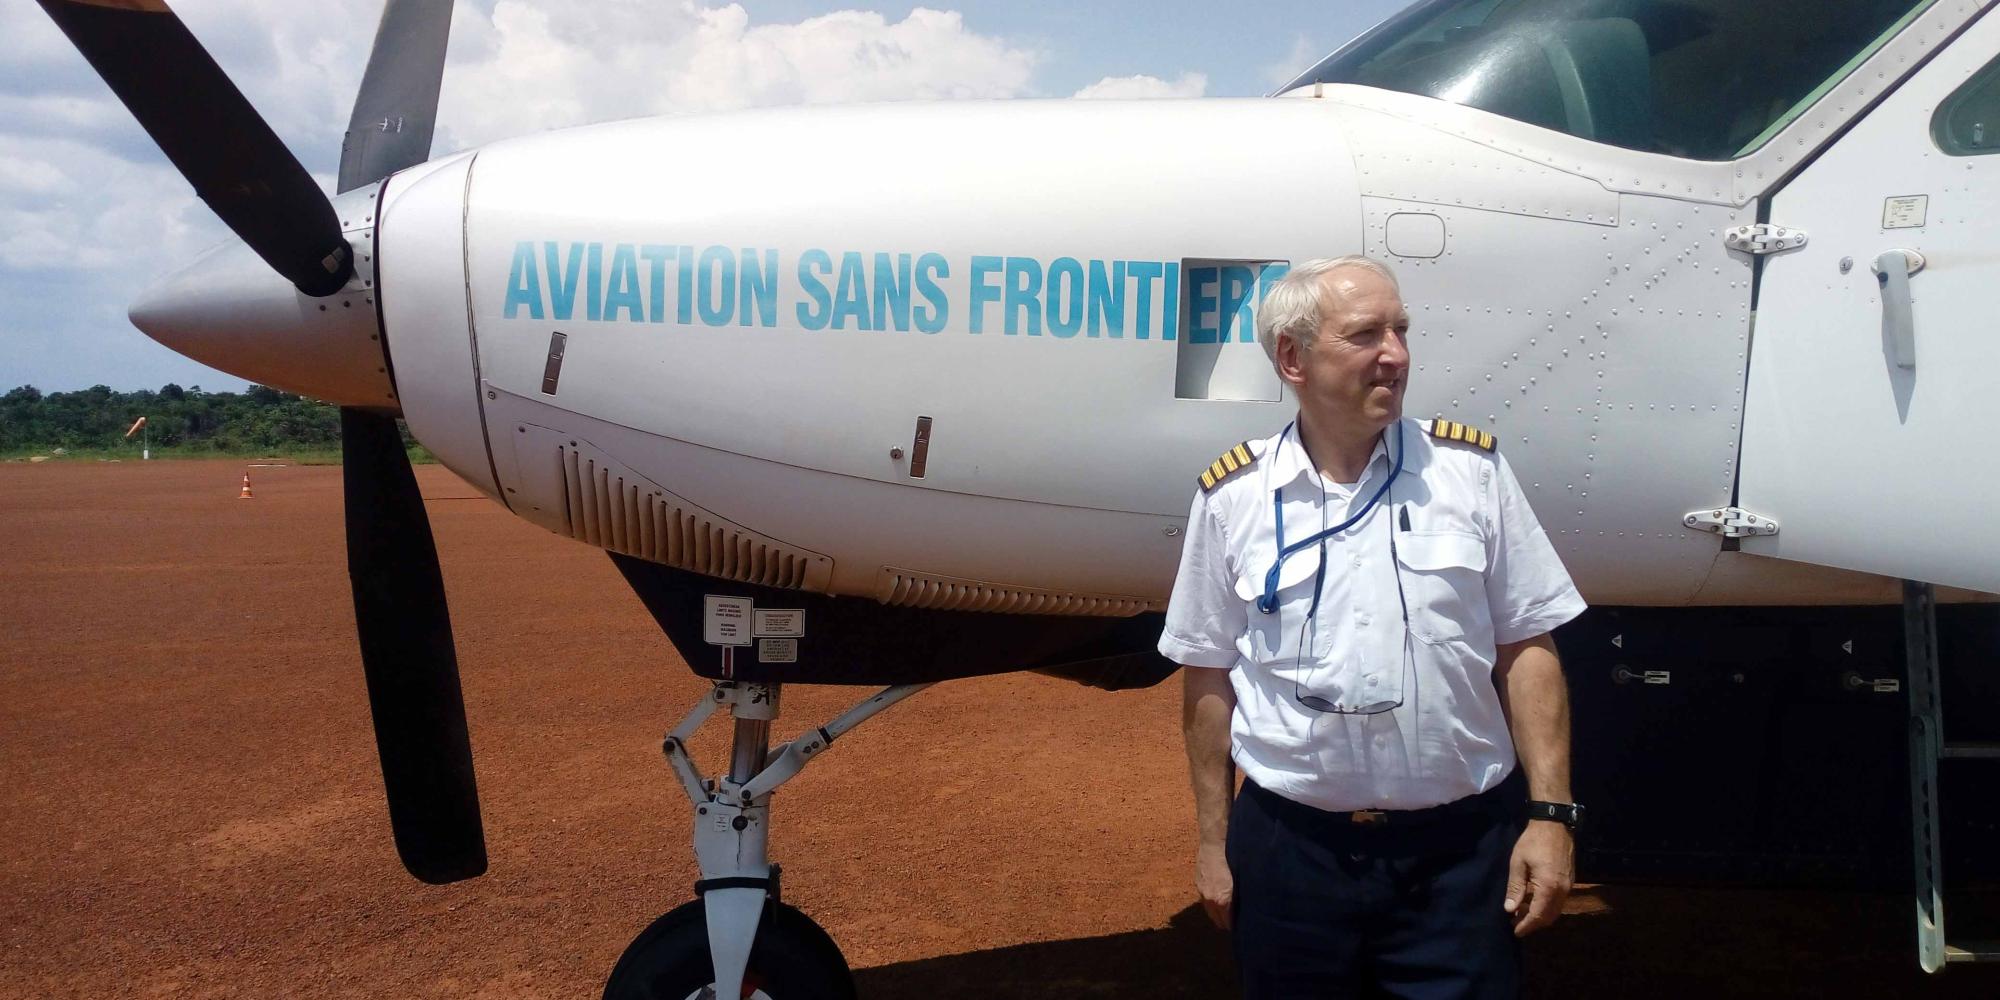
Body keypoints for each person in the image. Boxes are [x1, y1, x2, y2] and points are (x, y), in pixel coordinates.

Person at [1159, 256, 1587, 999]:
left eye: (1401, 331)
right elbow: (1208, 671)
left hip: (1458, 859)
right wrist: (1211, 842)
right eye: (1365, 335)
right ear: (1292, 358)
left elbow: (1527, 645)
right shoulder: (1234, 497)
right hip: (1291, 856)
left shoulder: (1471, 474)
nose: (1395, 354)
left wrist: (1551, 817)